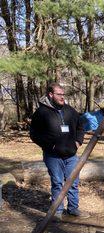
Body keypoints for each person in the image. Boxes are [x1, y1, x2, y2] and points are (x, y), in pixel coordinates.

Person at [30, 82, 88, 220]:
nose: (62, 97)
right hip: (53, 156)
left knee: (73, 183)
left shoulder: (70, 110)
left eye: (63, 94)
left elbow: (81, 127)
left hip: (71, 155)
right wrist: (50, 146)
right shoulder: (41, 112)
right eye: (59, 94)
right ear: (51, 95)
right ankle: (57, 211)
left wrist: (78, 142)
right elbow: (34, 134)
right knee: (57, 183)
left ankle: (73, 209)